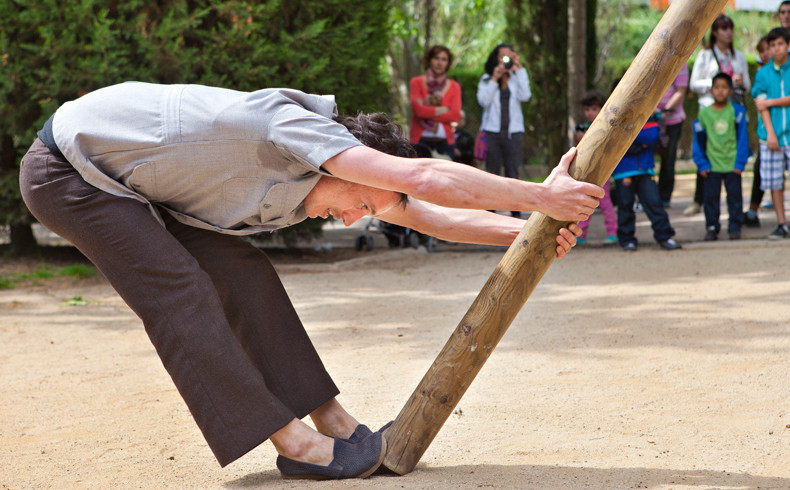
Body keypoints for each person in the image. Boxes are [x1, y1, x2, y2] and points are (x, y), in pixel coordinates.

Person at [19, 82, 604, 480]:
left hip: (129, 183)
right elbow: (426, 177)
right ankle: (295, 443)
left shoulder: (332, 177)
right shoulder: (290, 132)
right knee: (180, 290)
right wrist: (543, 195)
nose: (353, 219)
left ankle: (332, 421)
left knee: (245, 273)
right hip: (68, 171)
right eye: (362, 203)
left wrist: (531, 231)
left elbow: (432, 214)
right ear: (352, 160)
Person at [688, 14, 751, 217]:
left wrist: (737, 83)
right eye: (724, 28)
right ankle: (700, 202)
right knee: (707, 159)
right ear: (715, 32)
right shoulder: (705, 55)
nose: (728, 32)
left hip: (732, 113)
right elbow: (694, 84)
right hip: (710, 113)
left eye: (730, 28)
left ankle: (735, 217)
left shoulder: (738, 56)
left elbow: (747, 87)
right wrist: (717, 85)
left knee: (730, 158)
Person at [610, 80, 681, 252]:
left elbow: (651, 136)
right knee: (625, 206)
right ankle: (627, 239)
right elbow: (615, 142)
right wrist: (637, 143)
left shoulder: (647, 112)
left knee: (654, 203)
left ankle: (665, 236)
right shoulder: (612, 116)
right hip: (623, 171)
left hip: (645, 169)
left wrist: (629, 141)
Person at [692, 73, 750, 241]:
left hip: (732, 165)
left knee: (734, 198)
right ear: (711, 90)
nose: (720, 91)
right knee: (710, 199)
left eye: (724, 87)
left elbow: (742, 139)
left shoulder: (737, 112)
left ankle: (735, 226)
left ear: (730, 90)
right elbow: (698, 141)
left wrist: (740, 162)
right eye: (716, 87)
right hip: (712, 165)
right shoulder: (704, 115)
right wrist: (701, 164)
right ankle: (712, 227)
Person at [477, 43, 531, 217]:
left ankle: (515, 214)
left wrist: (519, 69)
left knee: (512, 173)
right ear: (495, 58)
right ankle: (490, 214)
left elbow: (526, 95)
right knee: (491, 175)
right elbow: (483, 101)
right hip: (492, 134)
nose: (505, 59)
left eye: (509, 55)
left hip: (513, 134)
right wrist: (495, 78)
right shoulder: (486, 79)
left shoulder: (516, 78)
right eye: (502, 56)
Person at [752, 28, 790, 239]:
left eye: (780, 44)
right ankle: (782, 223)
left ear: (787, 45)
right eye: (772, 45)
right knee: (775, 183)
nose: (776, 49)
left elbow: (767, 102)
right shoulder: (763, 73)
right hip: (772, 136)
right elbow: (760, 105)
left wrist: (770, 102)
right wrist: (771, 134)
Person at [573, 91, 617, 244]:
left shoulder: (606, 125)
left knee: (604, 202)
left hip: (602, 170)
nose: (589, 113)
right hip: (588, 171)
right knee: (585, 202)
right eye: (587, 109)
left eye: (593, 109)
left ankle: (612, 231)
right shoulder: (585, 126)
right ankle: (581, 234)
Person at [409, 45, 462, 158]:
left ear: (448, 63)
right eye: (436, 58)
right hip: (420, 141)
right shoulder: (416, 82)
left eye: (444, 59)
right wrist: (443, 109)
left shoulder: (454, 86)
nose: (440, 63)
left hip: (445, 143)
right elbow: (419, 111)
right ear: (429, 60)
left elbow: (455, 115)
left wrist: (427, 112)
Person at [744, 35, 771, 228]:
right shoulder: (762, 74)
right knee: (760, 170)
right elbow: (760, 105)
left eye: (767, 49)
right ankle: (753, 211)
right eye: (761, 51)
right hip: (767, 132)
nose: (766, 53)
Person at [655, 63, 689, 208]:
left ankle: (664, 197)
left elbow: (680, 91)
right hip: (652, 120)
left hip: (672, 120)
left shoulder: (681, 63)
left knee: (668, 159)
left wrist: (664, 111)